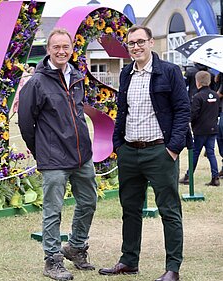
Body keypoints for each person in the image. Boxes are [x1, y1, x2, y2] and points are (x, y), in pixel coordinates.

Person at [99, 26, 191, 281]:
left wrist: (172, 148)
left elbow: (183, 111)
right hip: (130, 151)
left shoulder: (170, 72)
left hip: (160, 152)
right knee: (130, 209)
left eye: (140, 42)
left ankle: (173, 268)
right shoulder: (127, 72)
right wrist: (118, 144)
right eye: (131, 43)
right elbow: (122, 110)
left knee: (169, 211)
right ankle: (129, 261)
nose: (136, 47)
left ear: (151, 43)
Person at [18, 28, 97, 281]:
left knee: (88, 203)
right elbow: (25, 122)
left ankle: (76, 247)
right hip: (53, 159)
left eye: (66, 47)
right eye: (56, 47)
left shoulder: (77, 76)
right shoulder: (37, 82)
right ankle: (52, 259)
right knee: (53, 211)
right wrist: (41, 149)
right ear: (49, 49)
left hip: (82, 155)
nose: (61, 51)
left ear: (72, 49)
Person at [178, 71, 220, 186]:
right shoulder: (215, 95)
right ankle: (215, 177)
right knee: (211, 153)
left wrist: (190, 123)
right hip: (213, 128)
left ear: (198, 83)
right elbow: (217, 111)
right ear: (209, 81)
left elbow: (194, 113)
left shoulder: (198, 96)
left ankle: (188, 176)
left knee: (195, 153)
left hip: (200, 130)